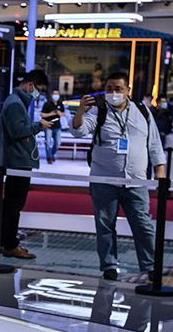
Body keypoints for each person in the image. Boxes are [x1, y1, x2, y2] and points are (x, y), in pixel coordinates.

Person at [71, 73, 166, 281]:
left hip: (136, 180)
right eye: (110, 88)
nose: (113, 93)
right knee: (105, 225)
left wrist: (160, 172)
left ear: (128, 91)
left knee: (143, 225)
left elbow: (154, 144)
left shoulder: (142, 111)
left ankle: (151, 267)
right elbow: (79, 131)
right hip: (104, 179)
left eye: (118, 89)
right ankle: (109, 266)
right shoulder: (99, 110)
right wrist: (80, 111)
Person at [0, 69, 56, 259]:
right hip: (18, 161)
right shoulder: (15, 103)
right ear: (30, 85)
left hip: (18, 160)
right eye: (39, 89)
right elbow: (18, 131)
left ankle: (6, 240)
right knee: (14, 205)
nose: (38, 94)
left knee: (11, 205)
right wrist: (40, 126)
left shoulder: (16, 102)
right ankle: (9, 244)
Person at [40, 88, 67, 165]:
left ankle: (51, 154)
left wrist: (59, 113)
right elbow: (42, 115)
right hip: (48, 125)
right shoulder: (47, 104)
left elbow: (64, 114)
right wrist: (52, 113)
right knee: (48, 143)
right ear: (52, 95)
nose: (56, 95)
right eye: (54, 94)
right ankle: (49, 157)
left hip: (57, 126)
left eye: (57, 94)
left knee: (58, 143)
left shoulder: (60, 103)